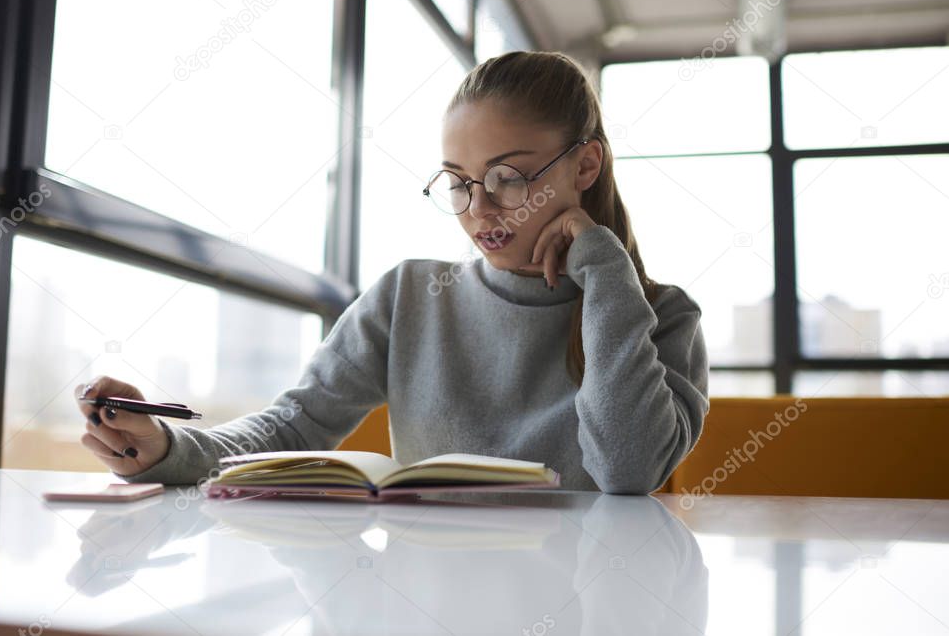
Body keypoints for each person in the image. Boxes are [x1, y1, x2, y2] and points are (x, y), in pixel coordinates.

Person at [76, 50, 709, 494]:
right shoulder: (411, 295)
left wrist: (602, 266)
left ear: (587, 165)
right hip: (424, 601)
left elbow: (628, 472)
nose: (479, 209)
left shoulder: (661, 315)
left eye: (507, 178)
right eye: (458, 184)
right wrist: (166, 447)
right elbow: (294, 425)